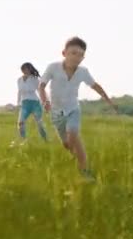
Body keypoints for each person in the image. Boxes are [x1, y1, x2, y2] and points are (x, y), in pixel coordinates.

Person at [38, 36, 118, 181]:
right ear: (64, 53)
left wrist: (108, 100)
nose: (77, 57)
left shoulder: (83, 71)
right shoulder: (53, 67)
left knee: (73, 134)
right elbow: (41, 86)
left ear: (83, 58)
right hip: (56, 112)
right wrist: (45, 101)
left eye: (80, 55)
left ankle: (85, 172)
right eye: (73, 53)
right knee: (68, 145)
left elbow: (95, 86)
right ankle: (76, 157)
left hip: (73, 109)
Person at [16, 62, 48, 141]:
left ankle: (45, 139)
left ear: (30, 69)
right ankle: (24, 140)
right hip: (24, 104)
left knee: (39, 123)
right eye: (23, 69)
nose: (25, 70)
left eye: (27, 68)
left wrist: (45, 101)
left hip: (35, 103)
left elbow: (40, 90)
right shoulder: (19, 80)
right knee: (20, 123)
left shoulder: (35, 79)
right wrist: (18, 103)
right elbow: (19, 92)